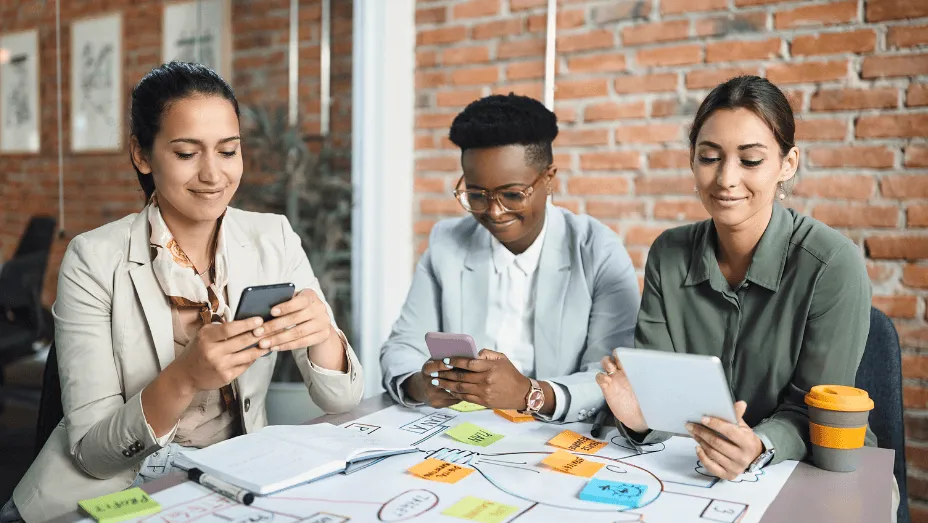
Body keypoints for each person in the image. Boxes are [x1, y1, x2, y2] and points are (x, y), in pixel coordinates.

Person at [4, 62, 363, 523]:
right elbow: (94, 455)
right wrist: (185, 377)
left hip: (228, 478)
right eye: (187, 153)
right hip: (111, 488)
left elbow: (342, 401)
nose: (213, 174)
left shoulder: (273, 237)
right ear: (142, 154)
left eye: (228, 151)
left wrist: (322, 335)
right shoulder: (93, 259)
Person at [596, 75, 898, 518]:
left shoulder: (832, 263)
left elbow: (819, 410)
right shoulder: (668, 254)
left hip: (820, 468)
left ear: (788, 164)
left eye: (751, 160)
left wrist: (759, 445)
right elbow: (660, 392)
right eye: (709, 157)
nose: (726, 179)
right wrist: (642, 417)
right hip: (698, 465)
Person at [380, 94, 640, 422]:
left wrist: (529, 394)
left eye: (513, 194)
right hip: (463, 429)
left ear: (548, 179)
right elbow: (402, 346)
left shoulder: (597, 251)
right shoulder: (447, 243)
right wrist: (422, 384)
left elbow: (611, 376)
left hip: (557, 431)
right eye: (477, 194)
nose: (494, 211)